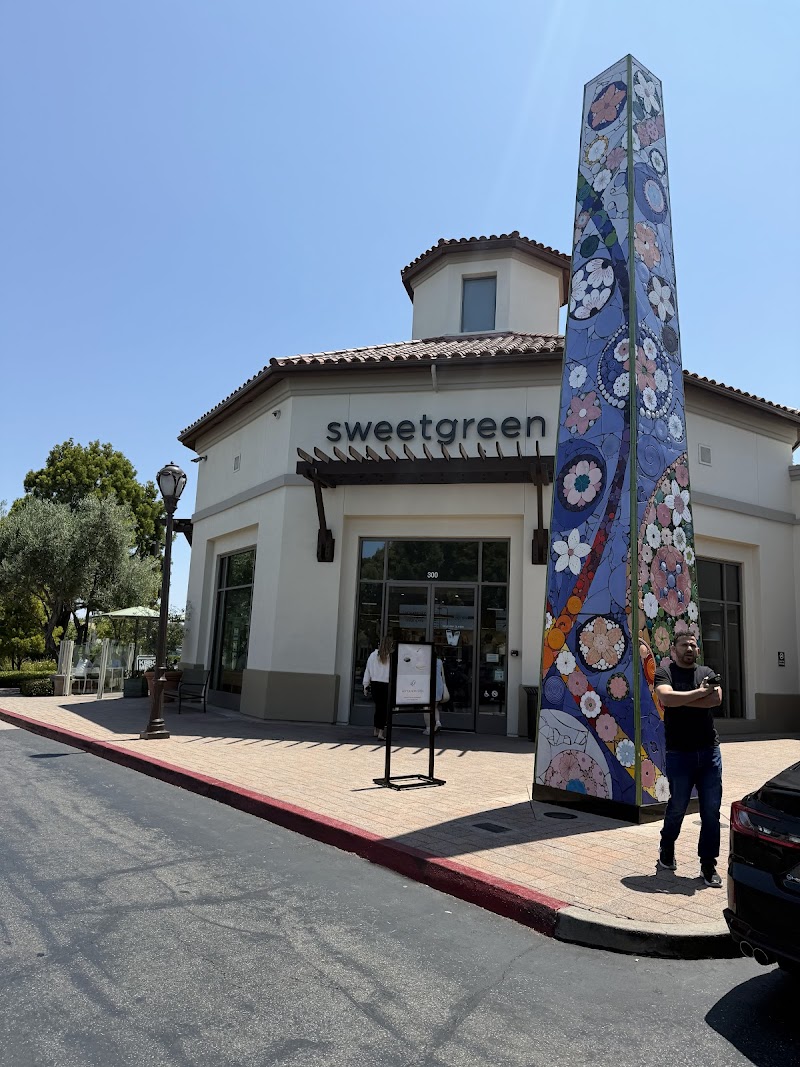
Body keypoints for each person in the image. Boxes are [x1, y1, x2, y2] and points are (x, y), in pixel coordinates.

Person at [654, 632, 723, 887]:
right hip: (679, 753)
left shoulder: (706, 671)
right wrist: (698, 695)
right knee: (678, 806)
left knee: (710, 811)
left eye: (693, 645)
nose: (690, 648)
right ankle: (667, 846)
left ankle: (708, 866)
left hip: (709, 752)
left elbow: (716, 699)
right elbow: (666, 698)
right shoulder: (665, 673)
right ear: (674, 649)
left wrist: (682, 700)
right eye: (684, 645)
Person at [363, 635, 394, 741]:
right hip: (386, 684)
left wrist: (366, 685)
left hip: (375, 684)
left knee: (378, 708)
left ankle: (375, 730)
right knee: (383, 709)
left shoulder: (373, 655)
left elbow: (368, 670)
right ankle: (381, 732)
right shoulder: (390, 657)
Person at [423, 657, 446, 736]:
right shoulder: (439, 661)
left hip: (428, 685)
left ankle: (428, 729)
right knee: (435, 707)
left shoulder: (425, 661)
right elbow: (442, 674)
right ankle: (438, 722)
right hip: (439, 685)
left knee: (426, 708)